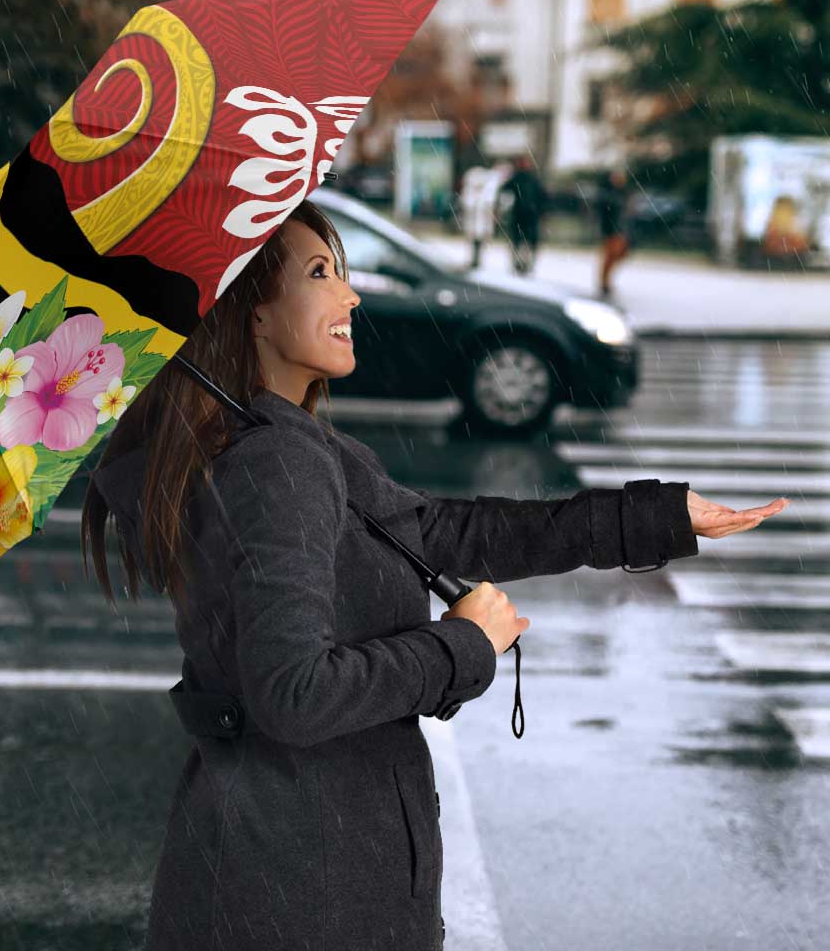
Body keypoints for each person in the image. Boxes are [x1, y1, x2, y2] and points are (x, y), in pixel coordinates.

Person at [83, 198, 783, 951]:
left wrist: (656, 518)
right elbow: (293, 694)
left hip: (286, 869)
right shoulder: (275, 463)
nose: (350, 295)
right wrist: (461, 646)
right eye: (320, 273)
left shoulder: (283, 444)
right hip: (304, 889)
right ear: (251, 312)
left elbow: (446, 532)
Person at [498, 153, 548, 276]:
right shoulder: (518, 178)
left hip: (529, 215)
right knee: (519, 241)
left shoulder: (531, 179)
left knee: (526, 242)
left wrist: (541, 211)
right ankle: (519, 264)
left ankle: (525, 264)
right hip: (521, 215)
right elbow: (504, 191)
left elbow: (542, 197)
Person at [596, 166, 632, 298]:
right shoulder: (608, 194)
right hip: (611, 230)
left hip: (620, 230)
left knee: (618, 255)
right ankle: (604, 282)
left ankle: (606, 281)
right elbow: (605, 213)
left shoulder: (623, 193)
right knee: (610, 256)